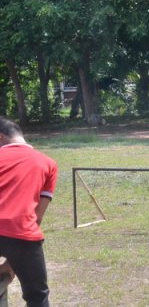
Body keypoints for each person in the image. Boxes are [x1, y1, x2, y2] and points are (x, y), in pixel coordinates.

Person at [0, 117, 58, 306]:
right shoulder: (48, 164)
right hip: (22, 236)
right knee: (37, 296)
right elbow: (37, 215)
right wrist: (15, 260)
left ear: (0, 138)